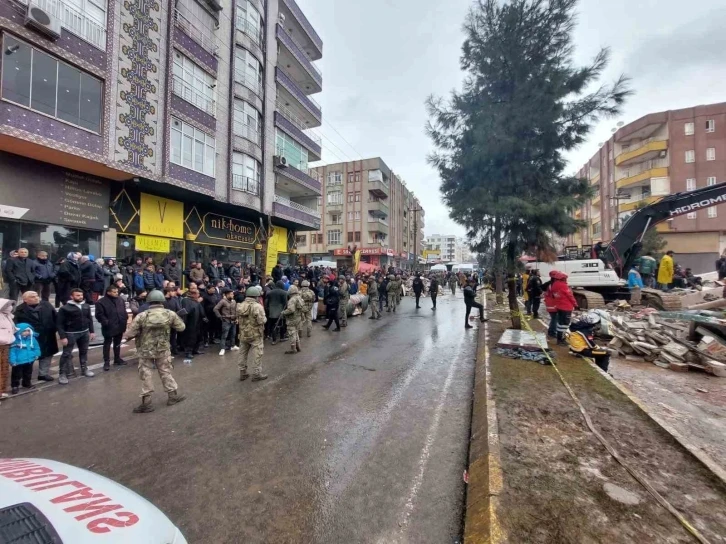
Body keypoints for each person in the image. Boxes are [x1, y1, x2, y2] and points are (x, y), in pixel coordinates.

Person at [125, 290, 186, 413]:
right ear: (162, 300)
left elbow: (129, 334)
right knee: (166, 372)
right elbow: (181, 327)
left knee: (146, 374)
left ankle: (146, 403)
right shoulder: (170, 314)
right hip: (163, 349)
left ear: (149, 301)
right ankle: (172, 396)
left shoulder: (142, 315)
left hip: (145, 350)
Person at [14, 291, 57, 382]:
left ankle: (43, 374)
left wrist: (55, 329)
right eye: (32, 297)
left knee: (47, 355)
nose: (36, 297)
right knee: (28, 357)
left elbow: (55, 317)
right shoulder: (19, 310)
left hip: (47, 335)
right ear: (25, 299)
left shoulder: (46, 305)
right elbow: (16, 325)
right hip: (30, 338)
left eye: (37, 295)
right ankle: (24, 379)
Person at [56, 288, 95, 384]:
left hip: (84, 332)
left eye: (81, 295)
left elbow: (89, 319)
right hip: (71, 333)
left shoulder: (86, 306)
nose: (80, 297)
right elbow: (59, 324)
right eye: (77, 295)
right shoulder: (65, 308)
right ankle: (62, 374)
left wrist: (92, 331)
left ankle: (84, 369)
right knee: (66, 354)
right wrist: (62, 336)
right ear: (71, 296)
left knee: (84, 351)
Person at [237, 285, 267, 382]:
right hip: (255, 334)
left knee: (242, 353)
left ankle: (243, 373)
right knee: (257, 354)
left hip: (243, 333)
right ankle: (257, 373)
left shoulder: (240, 305)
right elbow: (261, 321)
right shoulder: (257, 306)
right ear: (256, 296)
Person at [95, 285, 128, 371]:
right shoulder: (101, 302)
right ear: (108, 292)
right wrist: (106, 322)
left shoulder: (120, 300)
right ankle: (106, 361)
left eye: (117, 292)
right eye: (114, 292)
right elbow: (99, 315)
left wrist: (125, 318)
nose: (116, 293)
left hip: (120, 325)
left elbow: (123, 311)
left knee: (117, 343)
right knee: (107, 344)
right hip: (109, 327)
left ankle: (117, 358)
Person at [9, 322, 40, 394]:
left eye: (28, 331)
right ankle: (15, 386)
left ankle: (26, 383)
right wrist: (12, 360)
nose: (26, 332)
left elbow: (36, 347)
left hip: (29, 360)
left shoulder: (32, 339)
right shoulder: (15, 340)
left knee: (28, 373)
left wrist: (37, 354)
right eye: (24, 331)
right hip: (18, 361)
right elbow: (12, 351)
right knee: (16, 374)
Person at [551, 271, 577, 345]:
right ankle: (561, 340)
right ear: (562, 278)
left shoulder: (554, 285)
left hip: (559, 306)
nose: (566, 280)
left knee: (560, 323)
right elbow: (570, 296)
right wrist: (575, 304)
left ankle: (559, 338)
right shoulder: (563, 285)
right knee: (565, 324)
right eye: (565, 278)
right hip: (566, 307)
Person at [180, 289, 204, 360]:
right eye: (197, 294)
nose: (198, 295)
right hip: (191, 323)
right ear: (193, 294)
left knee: (198, 337)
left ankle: (195, 350)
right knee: (190, 338)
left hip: (198, 322)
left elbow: (201, 311)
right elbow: (186, 312)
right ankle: (188, 352)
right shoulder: (186, 301)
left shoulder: (196, 302)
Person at [214, 288, 238, 355]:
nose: (232, 295)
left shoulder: (234, 301)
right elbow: (215, 309)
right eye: (231, 294)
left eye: (232, 294)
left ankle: (232, 346)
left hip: (233, 321)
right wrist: (220, 317)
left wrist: (237, 318)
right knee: (224, 335)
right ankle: (222, 348)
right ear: (227, 295)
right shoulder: (223, 301)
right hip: (226, 320)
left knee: (233, 334)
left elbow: (236, 310)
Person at [282, 285, 305, 354]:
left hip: (292, 319)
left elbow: (291, 310)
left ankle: (293, 349)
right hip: (298, 317)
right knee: (296, 332)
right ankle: (298, 347)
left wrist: (283, 312)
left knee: (292, 333)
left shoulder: (292, 300)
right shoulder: (299, 298)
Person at [0, 298, 14, 399]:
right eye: (7, 305)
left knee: (4, 369)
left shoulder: (8, 316)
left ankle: (2, 390)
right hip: (1, 344)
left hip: (6, 345)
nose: (10, 307)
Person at [542, 271, 559, 338]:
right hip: (553, 304)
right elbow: (556, 295)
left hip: (549, 304)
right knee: (555, 319)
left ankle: (551, 331)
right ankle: (552, 332)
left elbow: (542, 287)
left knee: (554, 318)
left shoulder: (548, 284)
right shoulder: (553, 284)